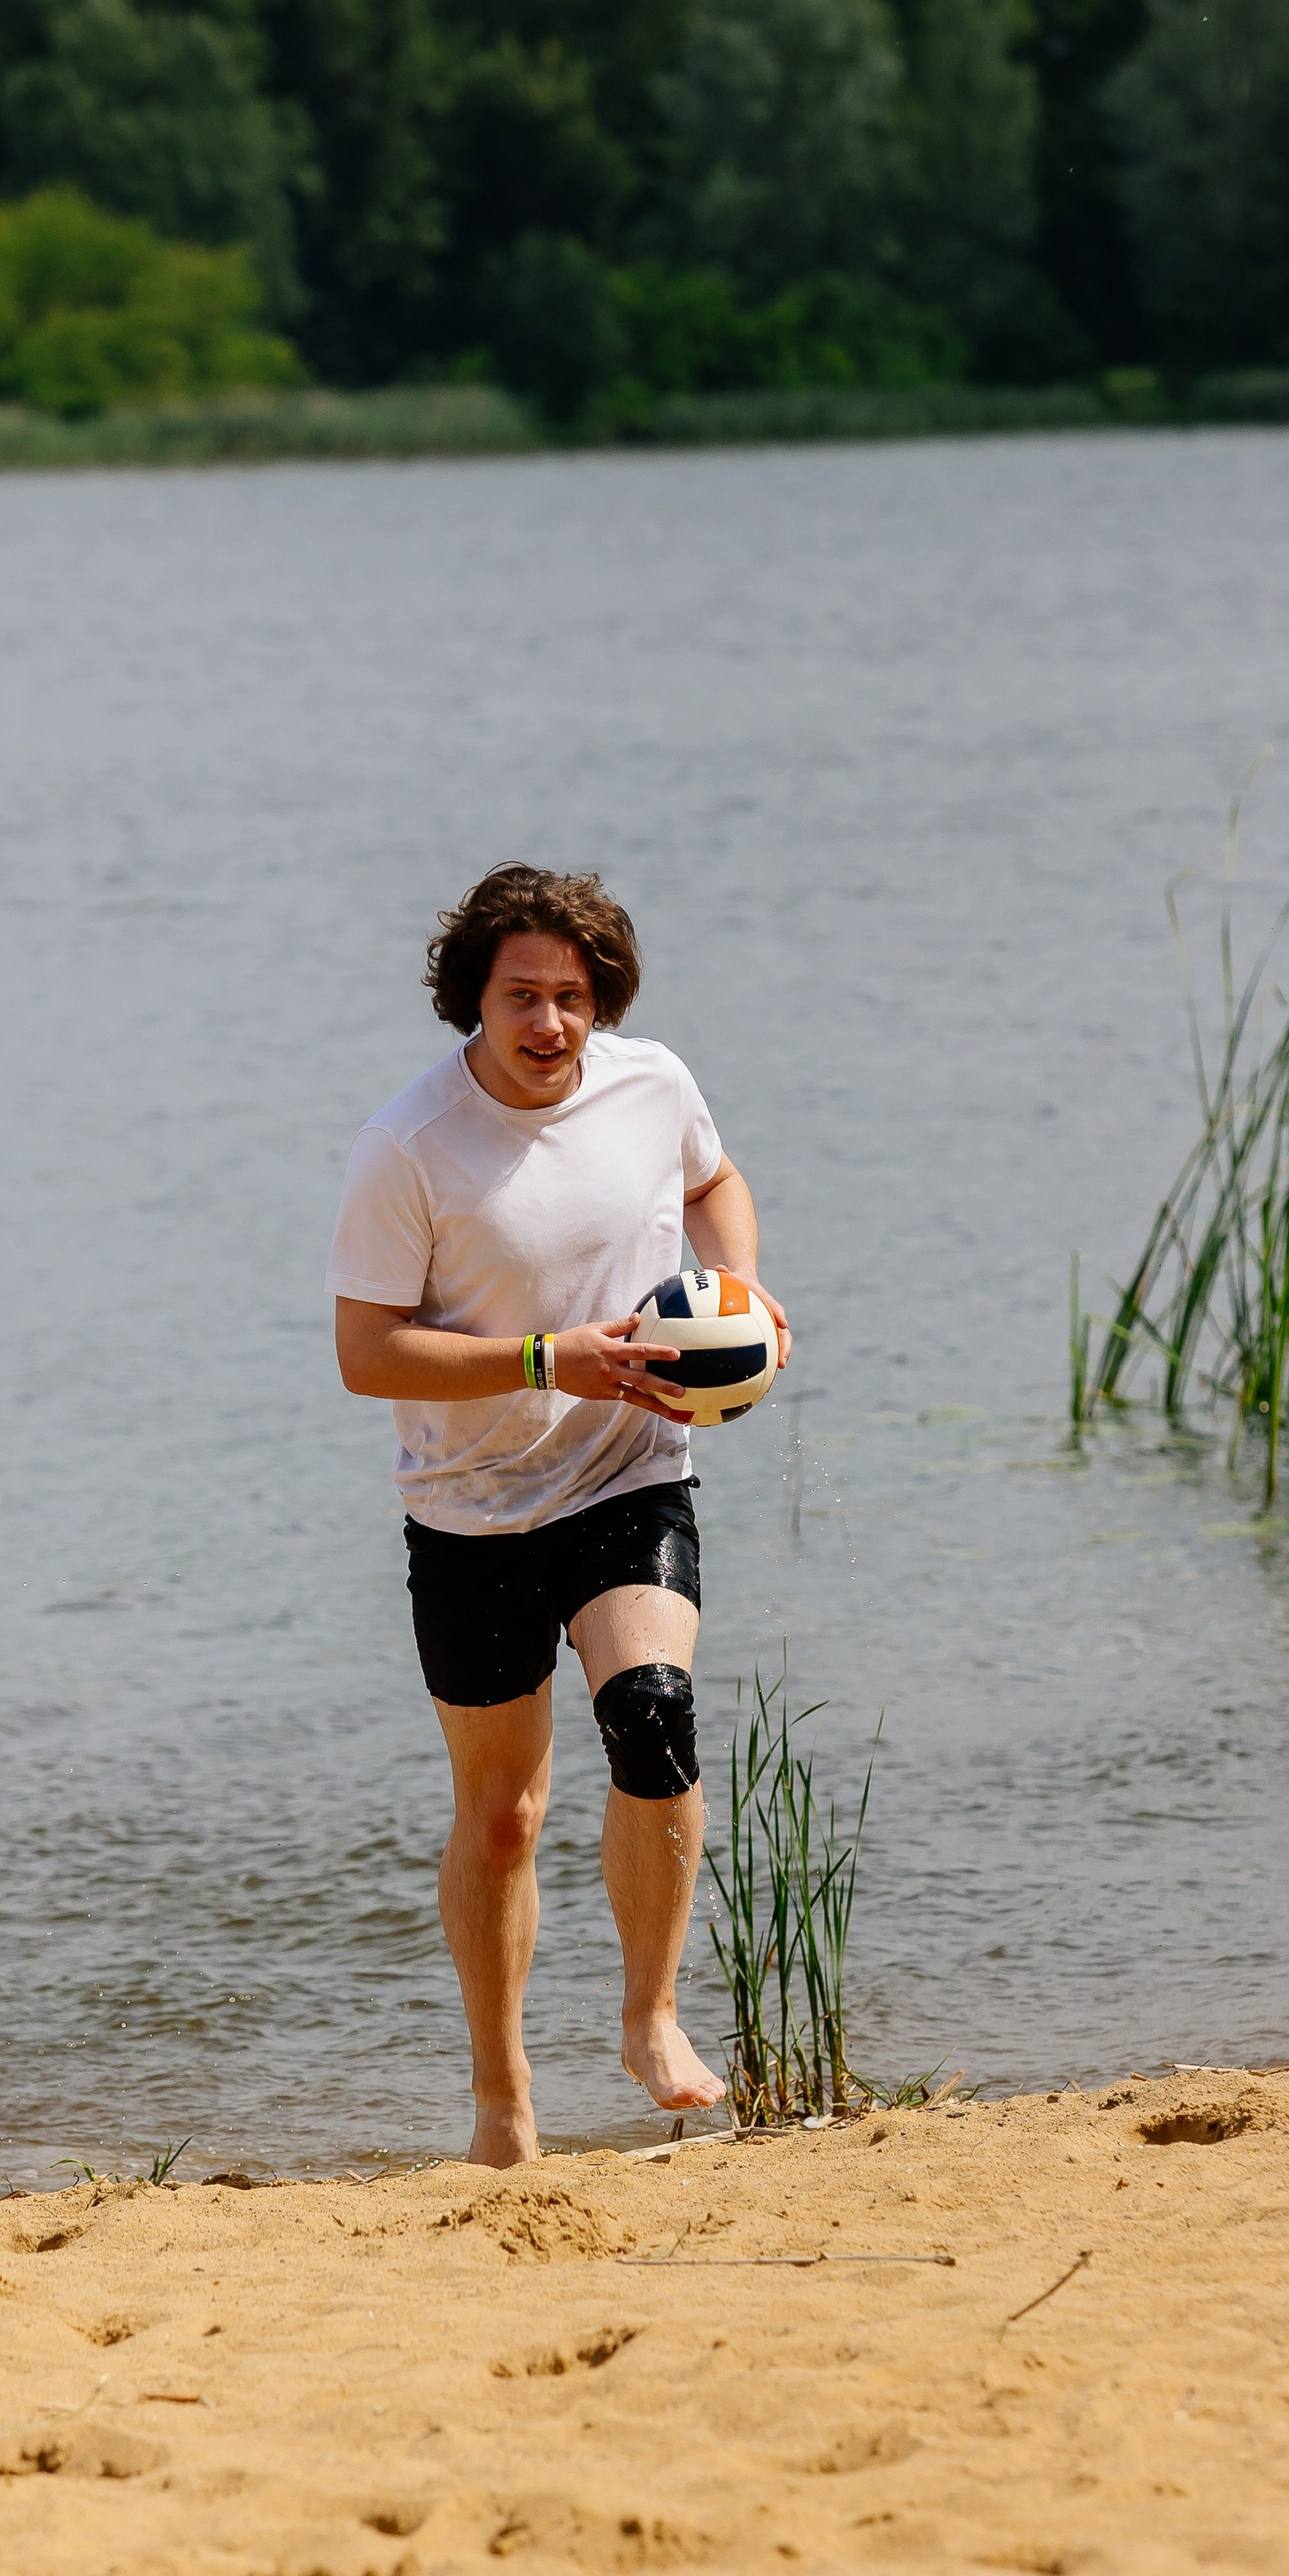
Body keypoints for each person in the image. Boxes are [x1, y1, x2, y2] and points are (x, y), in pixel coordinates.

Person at [328, 863, 791, 2169]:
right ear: (471, 1000)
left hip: (629, 1470)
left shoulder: (656, 1085)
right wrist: (547, 1359)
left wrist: (737, 1295)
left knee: (652, 1717)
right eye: (523, 997)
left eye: (574, 998)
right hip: (468, 1509)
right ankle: (502, 2096)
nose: (551, 1026)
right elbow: (367, 1353)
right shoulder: (407, 1148)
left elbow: (716, 1182)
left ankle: (650, 2020)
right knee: (503, 1816)